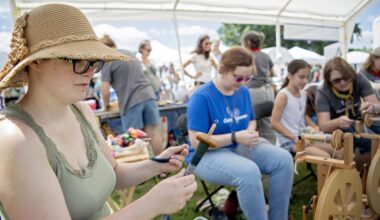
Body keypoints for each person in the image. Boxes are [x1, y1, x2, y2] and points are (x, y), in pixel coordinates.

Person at [0, 4, 196, 220]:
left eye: (93, 61)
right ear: (37, 62)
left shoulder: (81, 112)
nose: (91, 71)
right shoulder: (15, 140)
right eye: (78, 60)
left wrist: (156, 164)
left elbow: (114, 172)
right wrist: (151, 204)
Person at [187, 47, 294, 220]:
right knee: (249, 172)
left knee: (284, 159)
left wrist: (250, 130)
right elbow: (196, 143)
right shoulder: (202, 97)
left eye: (248, 77)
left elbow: (251, 119)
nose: (243, 82)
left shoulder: (242, 91)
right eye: (239, 77)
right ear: (222, 69)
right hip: (206, 155)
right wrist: (235, 136)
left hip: (240, 146)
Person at [100, 35, 164, 155]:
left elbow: (105, 90)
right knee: (154, 134)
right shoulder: (130, 54)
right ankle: (162, 168)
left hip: (131, 101)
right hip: (148, 95)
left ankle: (140, 171)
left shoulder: (107, 59)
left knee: (132, 138)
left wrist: (107, 105)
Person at [271, 59, 337, 158]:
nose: (305, 81)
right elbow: (274, 124)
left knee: (339, 151)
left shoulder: (303, 93)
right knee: (325, 157)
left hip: (304, 136)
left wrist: (315, 128)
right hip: (289, 141)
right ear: (289, 75)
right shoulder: (283, 96)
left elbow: (303, 116)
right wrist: (295, 138)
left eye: (307, 77)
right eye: (301, 77)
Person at [316, 57, 380, 154]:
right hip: (337, 129)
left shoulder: (358, 78)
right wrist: (337, 122)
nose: (342, 83)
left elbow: (377, 106)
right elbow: (323, 125)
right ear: (329, 81)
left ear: (351, 74)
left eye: (346, 78)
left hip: (359, 122)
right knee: (371, 142)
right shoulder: (323, 91)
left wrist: (371, 107)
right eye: (336, 80)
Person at [241, 31, 277, 144]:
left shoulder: (246, 56)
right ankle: (271, 145)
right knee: (266, 122)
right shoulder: (266, 56)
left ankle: (253, 145)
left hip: (252, 91)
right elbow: (272, 73)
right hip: (267, 91)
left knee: (251, 120)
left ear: (247, 42)